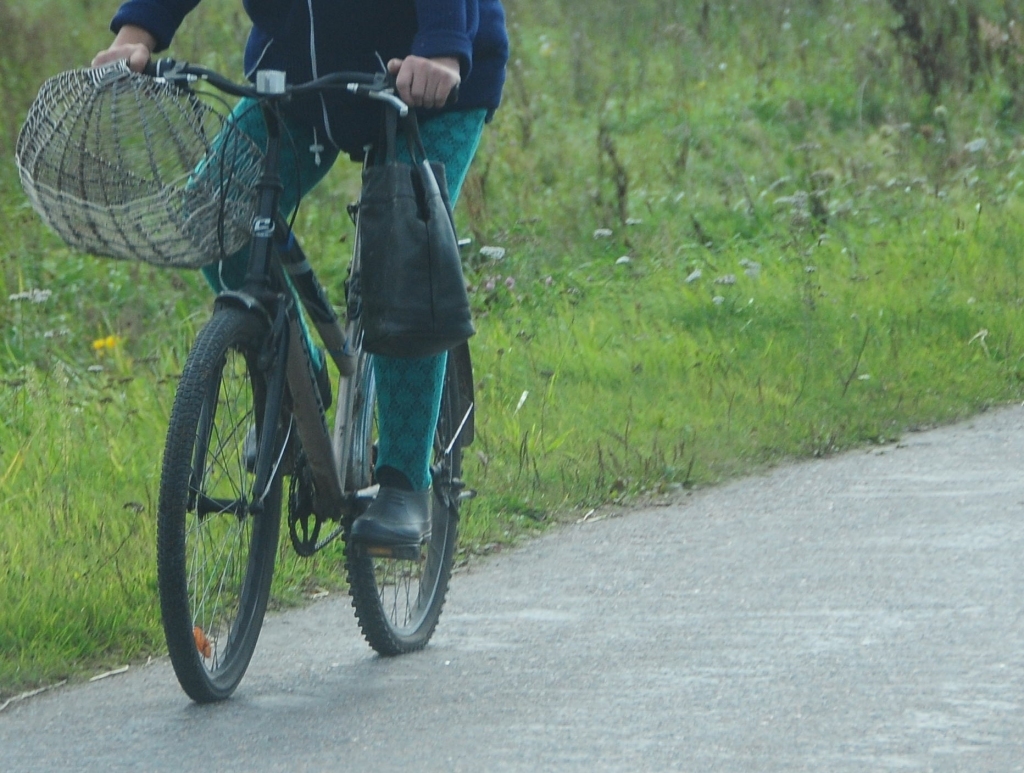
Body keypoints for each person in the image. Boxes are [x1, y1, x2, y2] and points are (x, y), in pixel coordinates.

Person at [92, 0, 508, 547]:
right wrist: (135, 33)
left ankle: (405, 481)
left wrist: (445, 46)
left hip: (431, 80)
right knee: (215, 218)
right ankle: (299, 388)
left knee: (405, 251)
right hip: (299, 81)